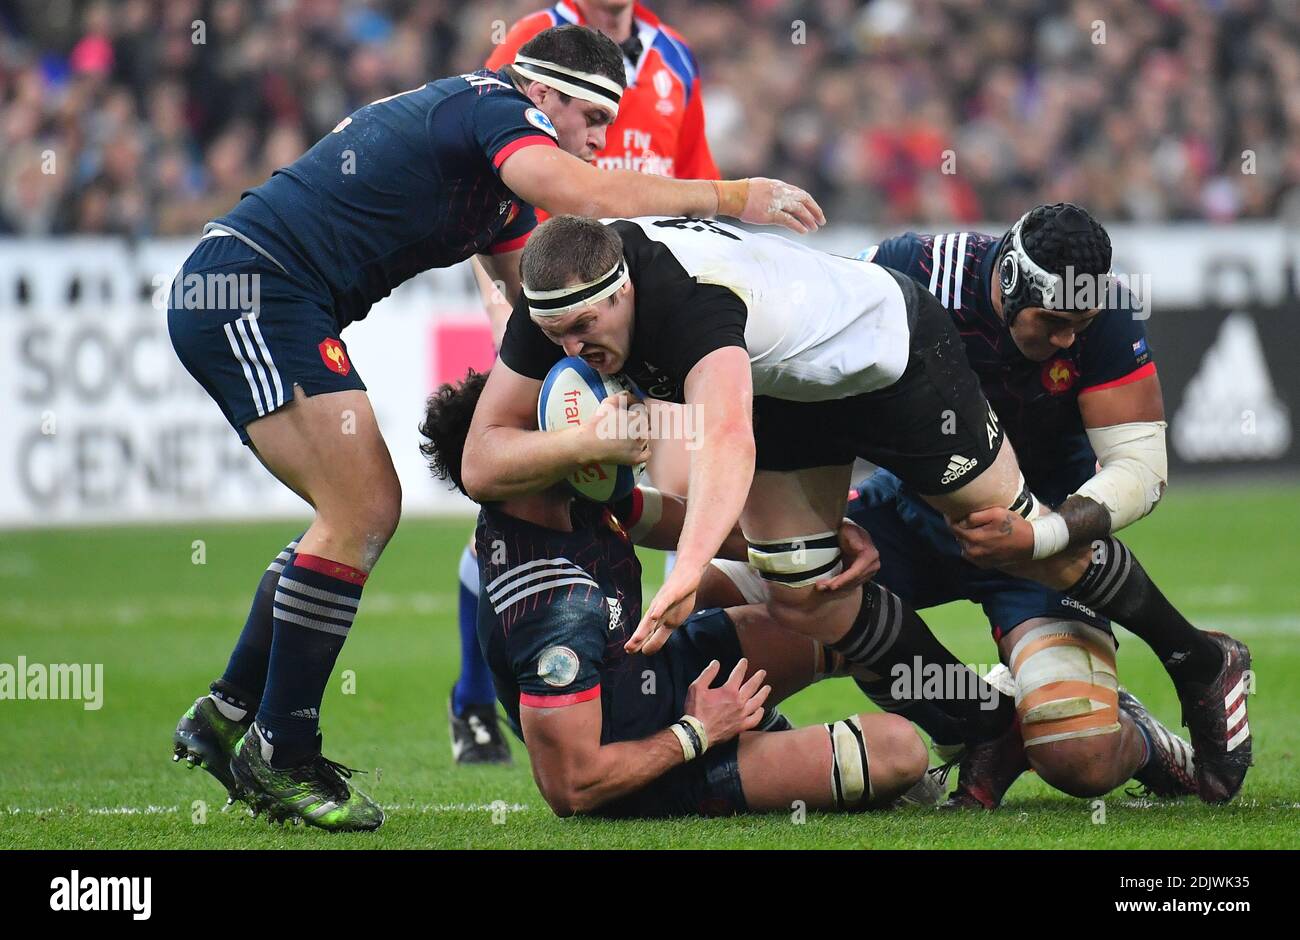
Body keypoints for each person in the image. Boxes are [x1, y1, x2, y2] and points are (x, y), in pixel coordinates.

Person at [167, 24, 824, 831]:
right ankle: (281, 750)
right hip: (250, 289)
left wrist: (641, 398)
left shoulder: (505, 196)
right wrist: (728, 195)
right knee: (362, 510)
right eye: (591, 120)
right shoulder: (490, 103)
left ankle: (231, 711)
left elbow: (544, 326)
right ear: (543, 94)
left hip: (276, 295)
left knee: (350, 516)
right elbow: (587, 195)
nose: (598, 143)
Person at [706, 204, 1252, 807]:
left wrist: (1041, 534)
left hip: (1041, 537)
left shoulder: (1110, 314)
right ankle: (978, 720)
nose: (1068, 338)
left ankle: (1144, 738)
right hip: (912, 514)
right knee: (725, 588)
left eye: (1081, 322)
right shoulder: (909, 271)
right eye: (1053, 321)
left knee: (1080, 756)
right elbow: (813, 380)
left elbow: (1143, 471)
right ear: (1011, 283)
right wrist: (823, 522)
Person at [419, 370, 929, 818]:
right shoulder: (552, 607)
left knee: (845, 618)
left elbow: (686, 523)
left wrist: (811, 541)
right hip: (648, 770)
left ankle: (970, 719)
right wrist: (698, 732)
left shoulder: (571, 498)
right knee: (898, 751)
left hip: (663, 674)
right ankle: (759, 747)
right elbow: (572, 787)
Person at [448, 0, 720, 765]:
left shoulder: (674, 59)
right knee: (534, 495)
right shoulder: (538, 40)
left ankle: (651, 663)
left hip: (646, 311)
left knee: (669, 480)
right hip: (552, 316)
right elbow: (487, 175)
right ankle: (473, 698)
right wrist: (502, 291)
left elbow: (694, 190)